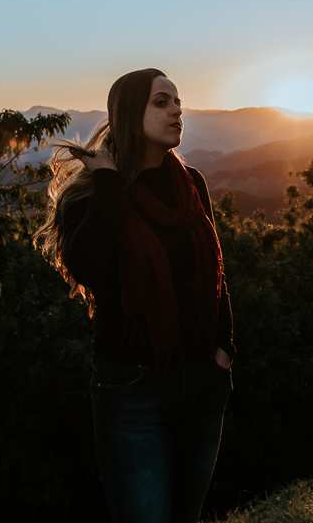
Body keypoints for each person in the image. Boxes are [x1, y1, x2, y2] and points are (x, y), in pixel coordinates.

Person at [35, 68, 235, 523]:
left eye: (178, 102)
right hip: (132, 392)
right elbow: (88, 268)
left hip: (202, 378)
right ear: (129, 113)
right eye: (161, 102)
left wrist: (224, 350)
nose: (177, 110)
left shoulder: (192, 185)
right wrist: (107, 184)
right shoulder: (91, 195)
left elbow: (216, 275)